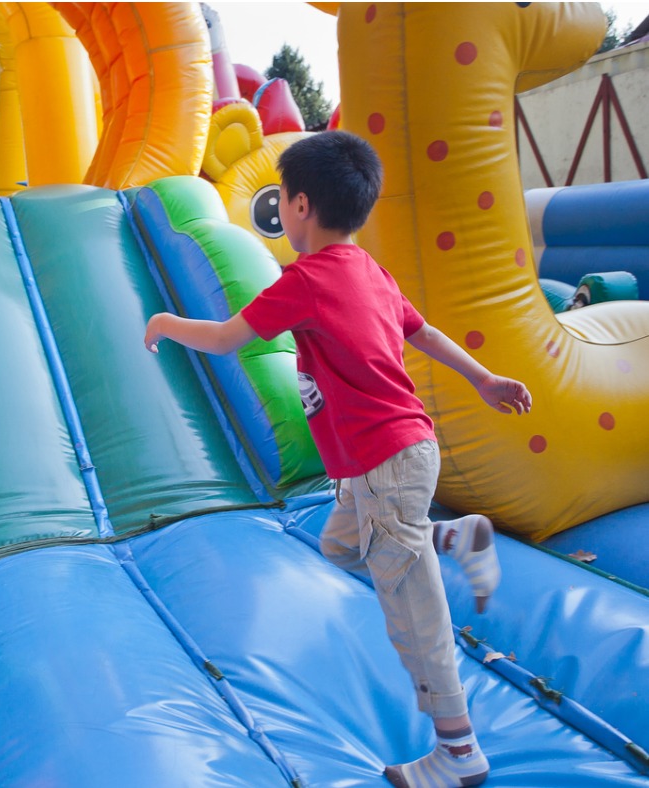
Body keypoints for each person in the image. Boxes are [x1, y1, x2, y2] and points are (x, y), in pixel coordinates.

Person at [144, 130, 532, 788]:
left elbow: (228, 338)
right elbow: (424, 332)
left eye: (283, 201)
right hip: (395, 458)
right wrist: (484, 378)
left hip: (384, 464)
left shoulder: (307, 280)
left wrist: (164, 324)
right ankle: (450, 536)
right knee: (341, 547)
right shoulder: (370, 270)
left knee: (413, 614)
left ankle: (459, 752)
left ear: (299, 205)